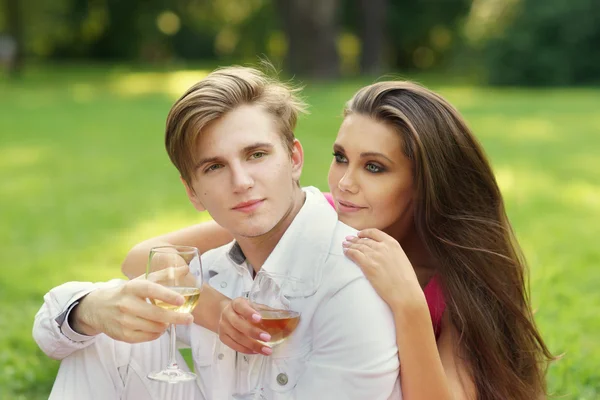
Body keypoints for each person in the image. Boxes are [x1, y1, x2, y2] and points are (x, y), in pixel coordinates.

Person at [123, 80, 554, 400]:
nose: (345, 183)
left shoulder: (458, 280)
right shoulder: (321, 214)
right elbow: (143, 257)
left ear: (424, 182)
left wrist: (409, 305)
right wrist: (218, 313)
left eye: (375, 167)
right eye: (340, 157)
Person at [32, 66, 401, 400]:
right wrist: (91, 311)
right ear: (192, 191)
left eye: (256, 155)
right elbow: (50, 330)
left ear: (294, 159)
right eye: (214, 167)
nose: (241, 183)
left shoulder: (351, 281)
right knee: (97, 345)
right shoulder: (214, 270)